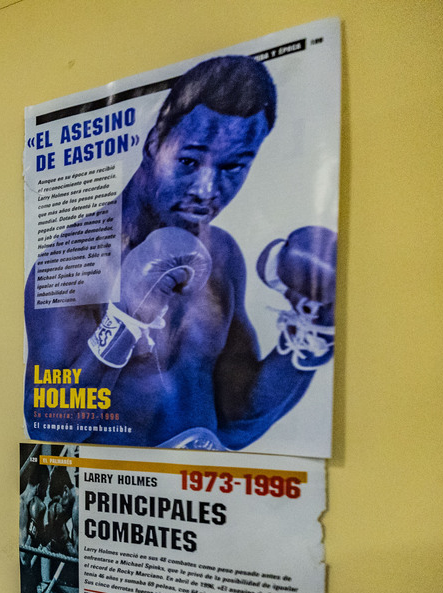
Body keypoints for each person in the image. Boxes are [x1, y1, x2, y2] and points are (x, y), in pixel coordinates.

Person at [24, 55, 336, 450]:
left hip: (197, 493)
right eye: (188, 161)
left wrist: (312, 335)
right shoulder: (72, 262)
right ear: (154, 143)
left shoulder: (222, 253)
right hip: (117, 497)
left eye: (233, 167)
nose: (207, 189)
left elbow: (238, 421)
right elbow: (48, 428)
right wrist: (122, 321)